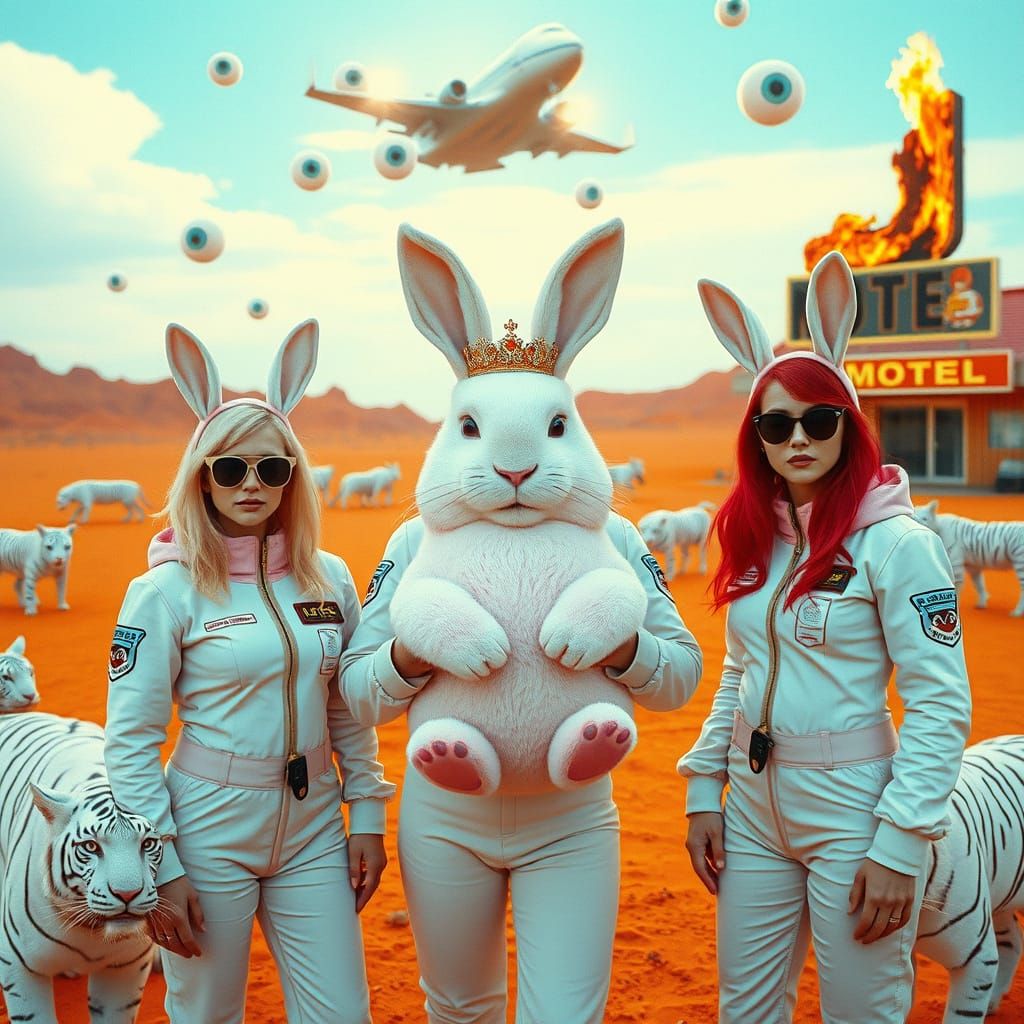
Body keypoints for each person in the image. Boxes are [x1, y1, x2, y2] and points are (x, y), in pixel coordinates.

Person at [340, 219, 704, 1024]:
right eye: (473, 431)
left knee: (565, 1013)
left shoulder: (616, 538)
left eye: (552, 429)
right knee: (458, 1005)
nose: (514, 468)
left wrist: (623, 645)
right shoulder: (414, 542)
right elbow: (359, 692)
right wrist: (415, 652)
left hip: (572, 819)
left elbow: (680, 674)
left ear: (571, 428)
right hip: (444, 819)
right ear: (453, 431)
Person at [678, 252, 971, 1024]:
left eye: (820, 418)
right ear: (757, 437)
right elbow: (742, 669)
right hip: (753, 804)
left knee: (860, 1011)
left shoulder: (898, 544)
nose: (798, 438)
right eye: (776, 424)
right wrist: (705, 785)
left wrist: (900, 841)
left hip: (854, 809)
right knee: (745, 1009)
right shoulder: (757, 538)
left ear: (850, 422)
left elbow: (940, 704)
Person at [104, 320, 393, 1024]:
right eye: (230, 469)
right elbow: (131, 741)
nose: (252, 484)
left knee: (342, 1013)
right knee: (208, 1013)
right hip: (206, 829)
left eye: (273, 468)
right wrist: (160, 861)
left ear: (294, 475)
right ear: (202, 476)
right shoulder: (163, 591)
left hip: (314, 824)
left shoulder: (329, 578)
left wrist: (367, 813)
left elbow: (345, 706)